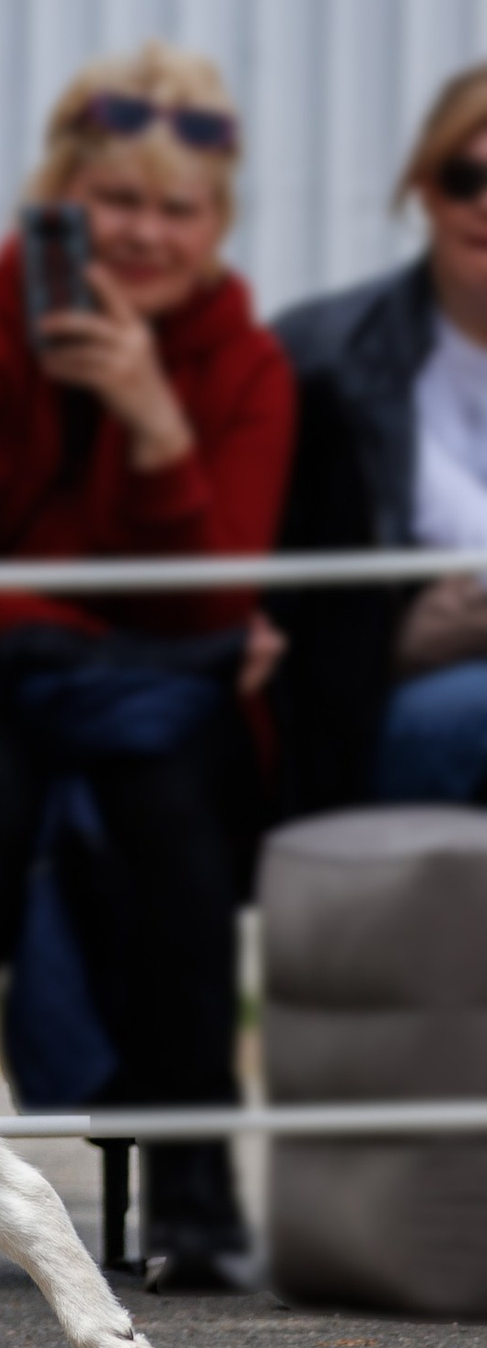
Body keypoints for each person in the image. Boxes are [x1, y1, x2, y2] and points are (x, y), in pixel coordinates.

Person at [0, 45, 295, 1299]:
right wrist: (88, 637)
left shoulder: (240, 366)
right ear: (63, 193)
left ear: (215, 222)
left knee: (176, 811)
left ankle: (190, 1190)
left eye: (175, 207)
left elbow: (220, 589)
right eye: (116, 199)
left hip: (151, 690)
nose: (143, 231)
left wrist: (153, 421)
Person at [275, 63, 487, 814]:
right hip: (378, 700)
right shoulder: (318, 354)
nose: (485, 204)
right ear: (424, 188)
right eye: (466, 177)